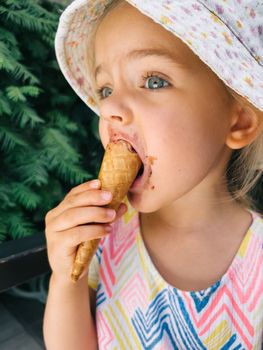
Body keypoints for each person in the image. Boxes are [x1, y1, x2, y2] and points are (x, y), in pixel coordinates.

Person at [43, 0, 263, 349]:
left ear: (239, 121)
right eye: (106, 90)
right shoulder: (104, 233)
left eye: (154, 81)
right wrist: (67, 279)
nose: (110, 108)